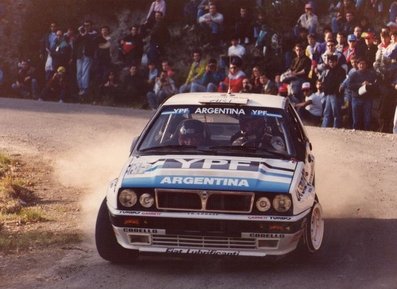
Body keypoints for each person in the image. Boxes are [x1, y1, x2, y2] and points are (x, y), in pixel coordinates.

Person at [348, 58, 378, 130]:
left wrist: (369, 84)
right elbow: (349, 86)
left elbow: (376, 85)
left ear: (366, 65)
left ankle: (366, 134)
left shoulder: (371, 74)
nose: (361, 65)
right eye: (360, 64)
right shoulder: (353, 74)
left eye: (363, 64)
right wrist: (360, 84)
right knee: (356, 119)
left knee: (367, 119)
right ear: (357, 65)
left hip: (367, 98)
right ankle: (356, 134)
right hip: (356, 98)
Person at [319, 54, 346, 128]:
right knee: (326, 112)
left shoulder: (341, 70)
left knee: (336, 113)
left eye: (333, 62)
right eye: (330, 62)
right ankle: (324, 128)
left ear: (337, 62)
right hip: (328, 94)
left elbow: (341, 83)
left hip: (335, 94)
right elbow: (325, 81)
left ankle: (336, 128)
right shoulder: (328, 70)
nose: (332, 63)